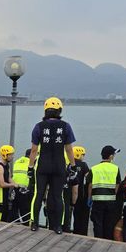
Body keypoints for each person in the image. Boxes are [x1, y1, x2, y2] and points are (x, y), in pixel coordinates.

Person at [28, 97, 77, 234]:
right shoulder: (66, 126)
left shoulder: (39, 126)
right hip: (59, 166)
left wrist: (30, 167)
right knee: (58, 196)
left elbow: (33, 150)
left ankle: (34, 222)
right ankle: (58, 226)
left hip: (43, 165)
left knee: (38, 194)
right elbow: (69, 149)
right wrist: (73, 166)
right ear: (59, 110)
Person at [87, 146, 122, 240]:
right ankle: (106, 242)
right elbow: (117, 185)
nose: (114, 156)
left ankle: (98, 240)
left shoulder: (94, 168)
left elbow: (90, 185)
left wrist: (89, 198)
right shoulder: (115, 168)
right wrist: (113, 194)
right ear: (110, 156)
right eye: (114, 154)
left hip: (97, 200)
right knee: (109, 223)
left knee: (97, 223)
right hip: (110, 201)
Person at [0, 145, 18, 222]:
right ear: (5, 155)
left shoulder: (7, 165)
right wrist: (12, 185)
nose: (12, 157)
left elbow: (9, 178)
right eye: (10, 155)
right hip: (0, 195)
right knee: (0, 215)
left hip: (6, 194)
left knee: (5, 214)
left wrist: (16, 184)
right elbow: (2, 184)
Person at [71, 146, 90, 235]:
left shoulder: (69, 164)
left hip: (68, 192)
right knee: (79, 214)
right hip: (79, 193)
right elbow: (88, 177)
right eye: (83, 155)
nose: (83, 157)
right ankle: (79, 232)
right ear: (78, 154)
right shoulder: (83, 165)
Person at [12, 149, 32, 224]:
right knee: (26, 211)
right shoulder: (31, 162)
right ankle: (27, 225)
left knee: (15, 210)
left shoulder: (17, 161)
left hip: (15, 188)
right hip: (26, 189)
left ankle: (15, 224)